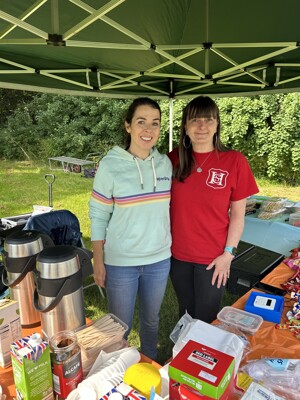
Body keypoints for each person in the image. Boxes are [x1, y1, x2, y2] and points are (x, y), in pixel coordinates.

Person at [89, 97, 172, 360]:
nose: (148, 129)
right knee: (119, 325)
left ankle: (148, 362)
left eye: (155, 123)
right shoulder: (110, 165)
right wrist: (98, 261)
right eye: (141, 122)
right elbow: (98, 215)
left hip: (159, 259)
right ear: (128, 126)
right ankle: (118, 369)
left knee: (151, 320)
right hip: (121, 262)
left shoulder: (165, 165)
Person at [168, 96, 259, 323]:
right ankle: (182, 355)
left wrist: (228, 254)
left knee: (207, 318)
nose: (202, 126)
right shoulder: (172, 160)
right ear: (185, 126)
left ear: (217, 124)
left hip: (214, 257)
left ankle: (202, 355)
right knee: (186, 314)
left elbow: (238, 215)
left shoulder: (234, 161)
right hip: (176, 255)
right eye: (195, 120)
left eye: (208, 120)